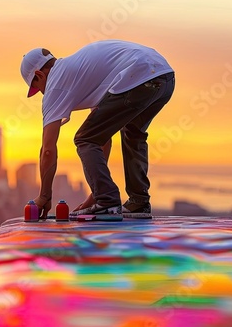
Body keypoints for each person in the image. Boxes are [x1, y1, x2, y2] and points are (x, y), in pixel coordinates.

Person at [20, 39, 175, 220]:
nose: (41, 93)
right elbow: (103, 138)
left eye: (37, 88)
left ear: (39, 75)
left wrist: (44, 196)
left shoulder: (55, 83)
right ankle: (138, 202)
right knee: (133, 133)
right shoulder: (83, 71)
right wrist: (95, 195)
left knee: (84, 139)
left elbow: (47, 150)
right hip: (165, 77)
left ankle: (108, 202)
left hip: (138, 75)